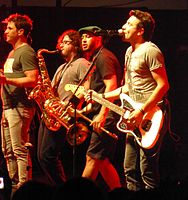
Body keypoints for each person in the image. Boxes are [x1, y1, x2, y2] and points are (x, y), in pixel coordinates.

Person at [88, 10, 170, 191]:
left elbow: (163, 86)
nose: (123, 27)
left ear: (140, 31)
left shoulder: (150, 50)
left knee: (146, 170)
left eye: (129, 25)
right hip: (133, 115)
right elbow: (127, 88)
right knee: (130, 169)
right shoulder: (128, 52)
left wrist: (141, 111)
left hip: (151, 114)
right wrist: (100, 96)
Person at [36, 29, 91, 186]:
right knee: (42, 157)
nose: (61, 45)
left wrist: (71, 105)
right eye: (61, 42)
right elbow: (51, 89)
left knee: (48, 156)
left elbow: (86, 88)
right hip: (50, 114)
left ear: (75, 46)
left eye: (66, 42)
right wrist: (43, 89)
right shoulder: (61, 67)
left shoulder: (82, 63)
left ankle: (61, 188)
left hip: (62, 116)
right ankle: (59, 188)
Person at [78, 26, 122, 191]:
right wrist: (83, 111)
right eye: (82, 37)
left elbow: (111, 88)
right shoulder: (98, 57)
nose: (83, 39)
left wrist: (103, 115)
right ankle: (120, 193)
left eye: (88, 36)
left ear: (99, 38)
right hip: (105, 113)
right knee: (102, 161)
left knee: (91, 158)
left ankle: (78, 195)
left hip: (108, 114)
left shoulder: (103, 57)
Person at [0, 13, 39, 189]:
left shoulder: (26, 51)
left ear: (20, 31)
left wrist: (6, 80)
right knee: (8, 151)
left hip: (20, 107)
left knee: (19, 149)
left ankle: (23, 188)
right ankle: (15, 185)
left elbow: (32, 79)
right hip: (9, 108)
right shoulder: (12, 53)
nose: (5, 31)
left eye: (9, 28)